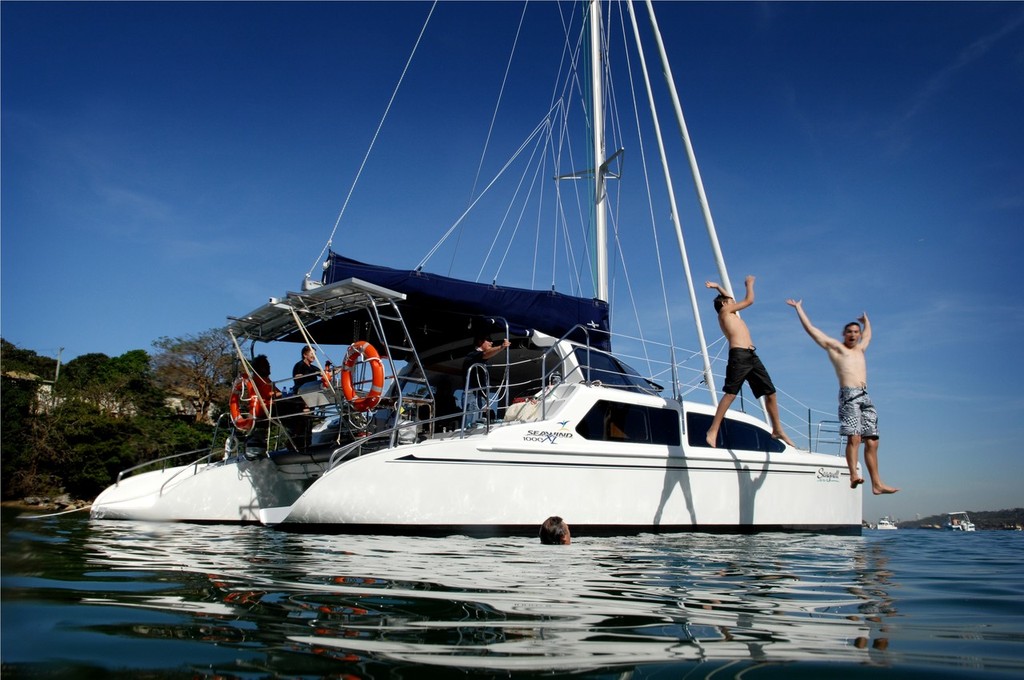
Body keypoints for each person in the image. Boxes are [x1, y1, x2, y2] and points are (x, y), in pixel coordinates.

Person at [786, 299, 899, 495]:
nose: (853, 335)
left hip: (865, 396)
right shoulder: (836, 348)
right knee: (854, 438)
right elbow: (812, 330)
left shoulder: (861, 349)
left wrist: (866, 321)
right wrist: (799, 308)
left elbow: (869, 336)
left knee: (872, 441)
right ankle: (853, 474)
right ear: (844, 334)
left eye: (856, 332)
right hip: (849, 396)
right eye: (850, 332)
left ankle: (877, 484)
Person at [704, 277, 794, 449]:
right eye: (730, 301)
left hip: (752, 356)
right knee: (731, 394)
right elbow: (749, 300)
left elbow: (728, 297)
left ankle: (777, 429)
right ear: (724, 305)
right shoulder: (724, 313)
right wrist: (749, 285)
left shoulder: (730, 313)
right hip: (739, 356)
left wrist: (717, 287)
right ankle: (713, 430)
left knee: (771, 392)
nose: (733, 301)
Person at [461, 335, 510, 428]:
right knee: (468, 421)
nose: (491, 342)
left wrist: (486, 398)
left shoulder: (480, 359)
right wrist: (501, 347)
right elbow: (485, 354)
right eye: (489, 340)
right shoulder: (472, 355)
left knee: (482, 421)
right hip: (471, 393)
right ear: (480, 341)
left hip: (482, 394)